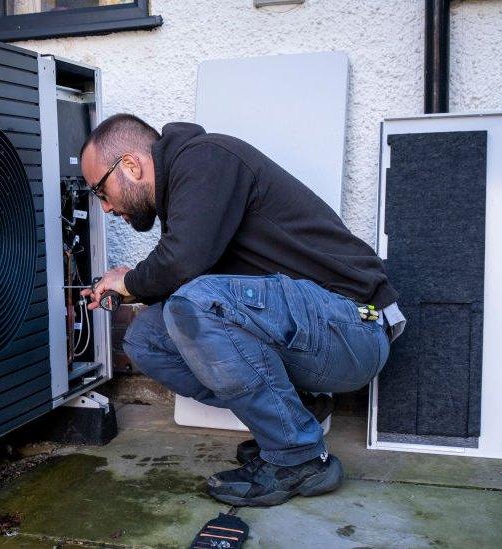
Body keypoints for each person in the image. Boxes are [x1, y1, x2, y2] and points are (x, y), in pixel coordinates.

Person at [79, 114, 405, 507]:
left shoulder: (204, 158)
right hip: (317, 332)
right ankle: (293, 416)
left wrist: (130, 281)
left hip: (355, 324)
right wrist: (134, 288)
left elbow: (182, 263)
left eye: (100, 190)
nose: (107, 208)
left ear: (130, 165)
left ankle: (299, 460)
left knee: (195, 301)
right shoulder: (186, 189)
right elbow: (188, 275)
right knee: (147, 339)